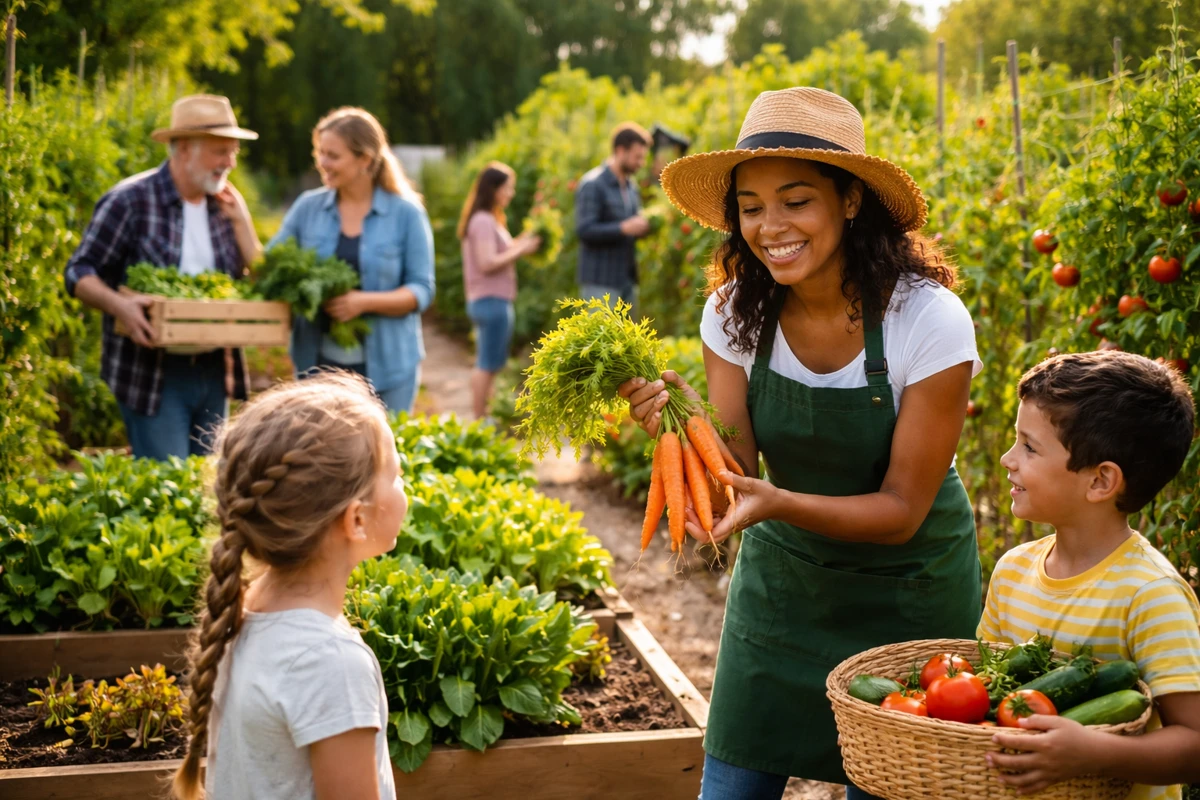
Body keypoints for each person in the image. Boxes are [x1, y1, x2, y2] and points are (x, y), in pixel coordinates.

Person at [619, 87, 983, 799]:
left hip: (908, 593)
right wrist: (678, 425)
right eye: (750, 208)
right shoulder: (732, 313)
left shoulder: (928, 321)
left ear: (849, 201)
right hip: (784, 589)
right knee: (729, 786)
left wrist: (777, 501)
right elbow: (737, 475)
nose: (769, 226)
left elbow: (902, 509)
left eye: (795, 201)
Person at [171, 372, 405, 800]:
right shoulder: (331, 664)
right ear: (356, 519)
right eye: (396, 474)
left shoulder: (244, 612)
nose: (404, 486)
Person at [980, 351, 1200, 798]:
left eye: (1029, 446)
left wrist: (1096, 751)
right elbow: (987, 695)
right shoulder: (1012, 571)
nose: (1008, 459)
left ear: (1100, 482)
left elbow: (1194, 743)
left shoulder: (1149, 595)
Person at [63, 94, 262, 460]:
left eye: (234, 151)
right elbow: (79, 271)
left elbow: (258, 280)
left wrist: (244, 224)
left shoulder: (225, 208)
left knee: (207, 487)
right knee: (164, 483)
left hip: (215, 369)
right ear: (184, 149)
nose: (230, 162)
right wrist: (119, 305)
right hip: (152, 374)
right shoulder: (130, 201)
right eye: (221, 151)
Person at [268, 107, 435, 414]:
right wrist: (239, 218)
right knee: (321, 458)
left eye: (333, 155)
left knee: (384, 456)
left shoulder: (406, 214)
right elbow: (269, 265)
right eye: (320, 153)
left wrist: (363, 302)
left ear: (365, 160)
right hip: (317, 366)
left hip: (389, 367)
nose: (322, 163)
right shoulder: (308, 208)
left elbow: (421, 290)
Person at [457, 161, 541, 420]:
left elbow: (498, 252)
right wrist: (522, 250)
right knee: (487, 364)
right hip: (490, 301)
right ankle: (481, 418)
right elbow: (487, 262)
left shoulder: (487, 219)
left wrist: (523, 240)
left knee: (489, 363)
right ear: (493, 189)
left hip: (490, 301)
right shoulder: (483, 221)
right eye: (508, 188)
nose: (511, 194)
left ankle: (486, 415)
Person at [575, 122, 652, 312]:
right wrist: (623, 228)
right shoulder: (593, 184)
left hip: (626, 279)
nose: (641, 163)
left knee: (629, 341)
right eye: (637, 157)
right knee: (603, 340)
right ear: (620, 150)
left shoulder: (631, 186)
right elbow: (584, 230)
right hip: (600, 281)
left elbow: (631, 225)